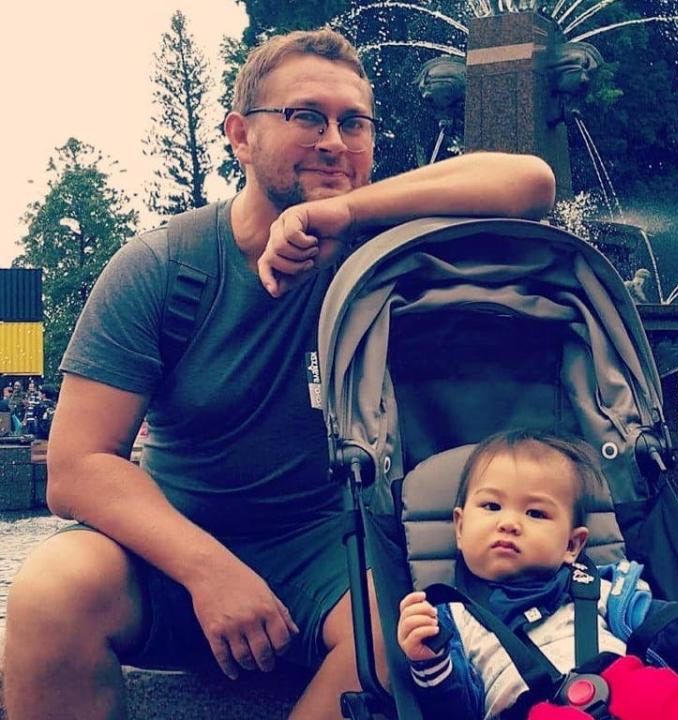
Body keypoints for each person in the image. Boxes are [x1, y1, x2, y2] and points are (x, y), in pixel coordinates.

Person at [3, 27, 556, 720]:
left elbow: (531, 183)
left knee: (404, 638)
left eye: (353, 122)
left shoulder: (383, 246)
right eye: (305, 116)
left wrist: (346, 211)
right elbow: (76, 465)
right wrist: (209, 570)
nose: (334, 140)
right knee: (50, 591)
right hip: (171, 545)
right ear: (240, 135)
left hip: (326, 551)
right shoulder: (163, 266)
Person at [398, 430, 678, 720]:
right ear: (460, 527)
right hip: (530, 710)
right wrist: (429, 662)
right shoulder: (450, 617)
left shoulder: (602, 587)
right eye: (491, 506)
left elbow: (672, 633)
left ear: (573, 545)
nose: (510, 523)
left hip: (629, 684)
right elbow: (459, 709)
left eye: (535, 513)